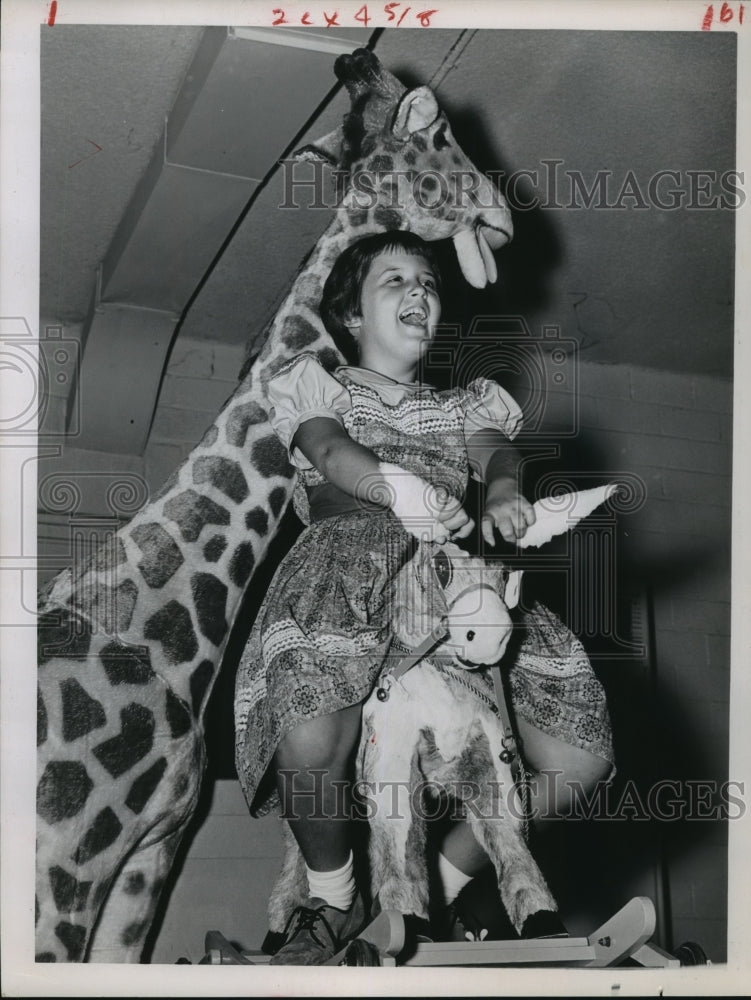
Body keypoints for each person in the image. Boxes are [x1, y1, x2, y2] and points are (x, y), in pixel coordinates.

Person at [234, 231, 614, 964]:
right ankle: (334, 894)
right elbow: (329, 450)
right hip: (349, 572)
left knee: (579, 760)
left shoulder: (462, 403)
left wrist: (503, 489)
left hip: (451, 581)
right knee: (309, 738)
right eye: (394, 280)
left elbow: (495, 453)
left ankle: (431, 887)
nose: (418, 293)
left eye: (429, 283)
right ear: (350, 314)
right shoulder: (317, 383)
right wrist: (397, 490)